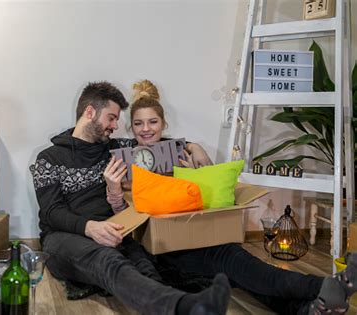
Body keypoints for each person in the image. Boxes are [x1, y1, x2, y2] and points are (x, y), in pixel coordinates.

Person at [102, 79, 357, 315]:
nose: (146, 129)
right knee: (235, 263)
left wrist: (194, 167)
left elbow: (210, 199)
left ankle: (310, 308)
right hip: (164, 248)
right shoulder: (124, 159)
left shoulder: (181, 152)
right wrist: (114, 191)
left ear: (164, 124)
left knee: (241, 269)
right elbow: (123, 217)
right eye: (138, 123)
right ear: (131, 127)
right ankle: (324, 285)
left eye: (153, 122)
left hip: (199, 232)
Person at [30, 81, 231, 315]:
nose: (116, 126)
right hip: (63, 236)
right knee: (106, 259)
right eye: (111, 118)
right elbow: (51, 211)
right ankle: (185, 307)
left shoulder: (116, 149)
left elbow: (157, 146)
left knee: (144, 263)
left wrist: (194, 146)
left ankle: (178, 304)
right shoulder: (48, 158)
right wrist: (90, 228)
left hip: (115, 229)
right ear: (90, 112)